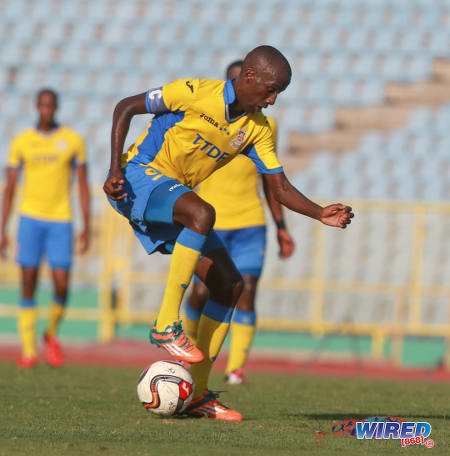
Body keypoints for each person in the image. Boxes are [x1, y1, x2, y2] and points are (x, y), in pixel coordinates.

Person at [103, 45, 353, 421]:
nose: (272, 100)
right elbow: (125, 106)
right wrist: (114, 171)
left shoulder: (257, 130)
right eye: (270, 90)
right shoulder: (194, 92)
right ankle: (165, 323)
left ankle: (199, 394)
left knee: (230, 284)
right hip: (138, 177)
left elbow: (279, 187)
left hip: (172, 199)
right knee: (203, 212)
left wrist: (319, 213)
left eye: (278, 93)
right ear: (249, 77)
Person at [185, 60, 295, 385]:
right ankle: (188, 348)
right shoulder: (207, 117)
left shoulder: (264, 127)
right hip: (211, 221)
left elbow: (270, 181)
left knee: (246, 291)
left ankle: (235, 369)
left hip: (250, 222)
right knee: (200, 293)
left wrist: (281, 227)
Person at [1, 88, 90, 369]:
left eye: (51, 105)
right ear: (36, 107)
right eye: (43, 105)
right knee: (28, 282)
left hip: (61, 220)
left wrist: (86, 224)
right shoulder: (22, 142)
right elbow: (11, 187)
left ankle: (50, 333)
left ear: (57, 108)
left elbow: (84, 185)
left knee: (62, 283)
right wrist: (3, 228)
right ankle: (28, 350)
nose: (47, 110)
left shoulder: (72, 141)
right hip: (30, 219)